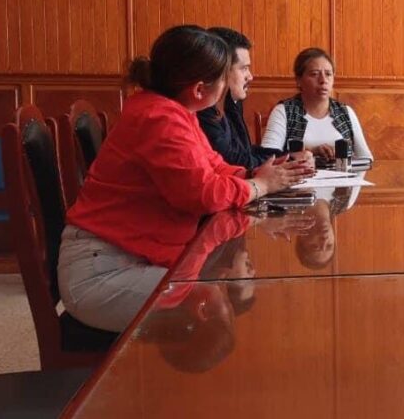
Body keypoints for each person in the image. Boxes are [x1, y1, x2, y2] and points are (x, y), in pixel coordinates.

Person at [57, 25, 312, 332]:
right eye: (224, 77)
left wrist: (255, 175)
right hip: (102, 273)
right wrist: (261, 185)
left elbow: (214, 166)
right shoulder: (159, 118)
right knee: (205, 309)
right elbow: (203, 195)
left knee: (210, 296)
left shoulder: (177, 111)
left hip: (130, 257)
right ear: (200, 90)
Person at [196, 27, 307, 170]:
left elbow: (245, 151)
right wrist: (288, 160)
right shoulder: (204, 108)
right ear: (221, 69)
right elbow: (233, 161)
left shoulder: (231, 102)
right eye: (244, 68)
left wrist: (288, 156)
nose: (250, 76)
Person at [261, 48, 373, 162]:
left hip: (342, 173)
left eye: (328, 74)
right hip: (298, 173)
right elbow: (267, 158)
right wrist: (310, 152)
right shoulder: (284, 111)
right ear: (299, 80)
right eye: (314, 74)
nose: (323, 80)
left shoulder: (345, 112)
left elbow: (366, 158)